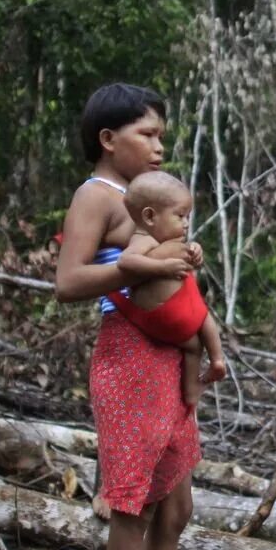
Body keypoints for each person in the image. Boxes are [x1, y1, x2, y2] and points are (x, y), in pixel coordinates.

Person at [54, 82, 216, 550]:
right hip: (128, 359)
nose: (158, 146)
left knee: (176, 511)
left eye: (160, 135)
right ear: (107, 139)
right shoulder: (95, 196)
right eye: (146, 135)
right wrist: (137, 266)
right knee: (133, 507)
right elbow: (69, 282)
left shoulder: (150, 198)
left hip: (168, 361)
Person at [111, 170, 227, 408]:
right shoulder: (144, 239)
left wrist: (195, 249)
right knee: (201, 323)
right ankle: (216, 359)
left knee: (194, 343)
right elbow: (125, 261)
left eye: (187, 217)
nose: (185, 224)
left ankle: (195, 389)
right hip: (170, 315)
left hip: (174, 317)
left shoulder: (166, 241)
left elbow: (190, 260)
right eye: (180, 216)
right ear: (150, 217)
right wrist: (162, 267)